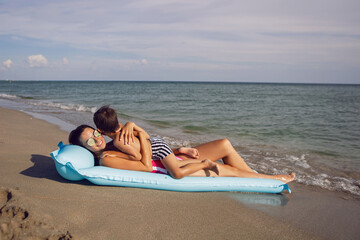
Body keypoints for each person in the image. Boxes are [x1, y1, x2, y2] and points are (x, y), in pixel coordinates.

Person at [68, 109, 295, 183]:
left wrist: (179, 150)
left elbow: (153, 147)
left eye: (96, 133)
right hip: (170, 167)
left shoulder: (113, 141)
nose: (97, 139)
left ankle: (256, 177)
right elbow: (147, 166)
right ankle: (274, 179)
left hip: (171, 157)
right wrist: (138, 131)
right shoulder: (107, 158)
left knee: (224, 144)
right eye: (90, 140)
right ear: (85, 149)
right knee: (230, 172)